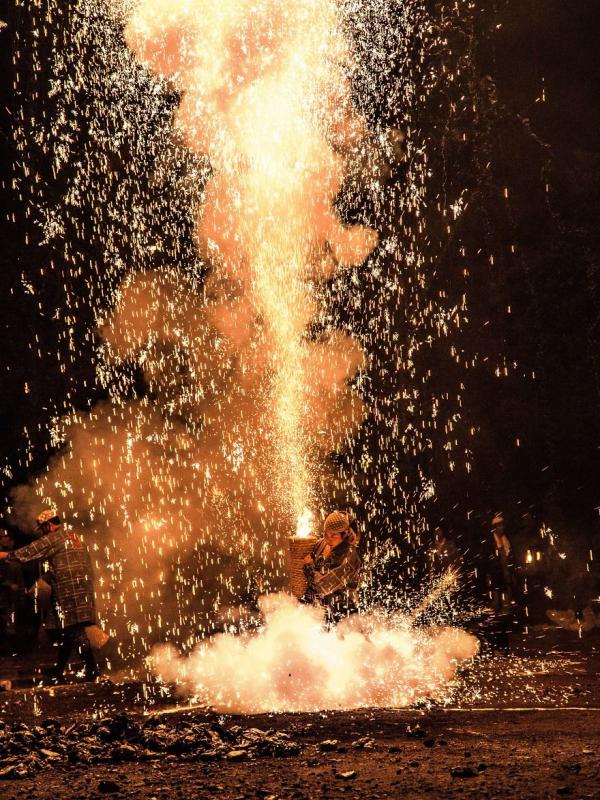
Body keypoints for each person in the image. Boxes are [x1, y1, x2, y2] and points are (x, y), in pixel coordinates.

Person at [0, 509, 99, 682]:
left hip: (69, 590)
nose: (43, 533)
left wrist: (6, 555)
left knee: (76, 630)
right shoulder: (73, 536)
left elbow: (30, 552)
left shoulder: (54, 538)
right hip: (82, 588)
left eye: (43, 528)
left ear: (48, 525)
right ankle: (59, 670)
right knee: (70, 630)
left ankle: (93, 670)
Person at [302, 511, 362, 624]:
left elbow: (323, 587)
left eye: (333, 535)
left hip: (342, 614)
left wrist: (309, 566)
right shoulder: (323, 543)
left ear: (345, 534)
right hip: (319, 611)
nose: (328, 539)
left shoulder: (350, 558)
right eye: (326, 534)